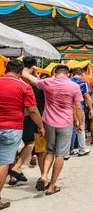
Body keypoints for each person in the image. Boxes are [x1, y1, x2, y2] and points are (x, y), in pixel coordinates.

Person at [21, 64, 83, 196]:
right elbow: (77, 107)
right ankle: (52, 186)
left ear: (55, 73)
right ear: (69, 75)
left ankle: (43, 176)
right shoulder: (74, 86)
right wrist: (80, 123)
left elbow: (29, 78)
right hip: (65, 123)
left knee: (49, 150)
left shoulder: (48, 82)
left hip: (49, 122)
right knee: (60, 154)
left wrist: (27, 68)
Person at [0, 59, 45, 209]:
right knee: (4, 163)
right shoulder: (24, 86)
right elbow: (32, 110)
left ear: (6, 68)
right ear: (20, 73)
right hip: (12, 128)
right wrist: (40, 126)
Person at [7, 57, 39, 186]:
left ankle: (12, 177)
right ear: (33, 67)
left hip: (7, 119)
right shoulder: (28, 83)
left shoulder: (9, 79)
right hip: (24, 117)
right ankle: (17, 167)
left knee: (11, 149)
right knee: (30, 143)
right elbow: (33, 109)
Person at [69, 68, 92, 157]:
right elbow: (87, 96)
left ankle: (69, 150)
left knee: (71, 129)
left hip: (68, 108)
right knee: (80, 127)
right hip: (79, 107)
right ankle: (82, 149)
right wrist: (91, 108)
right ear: (82, 74)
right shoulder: (83, 83)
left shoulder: (67, 82)